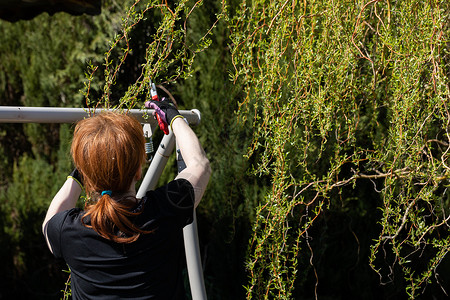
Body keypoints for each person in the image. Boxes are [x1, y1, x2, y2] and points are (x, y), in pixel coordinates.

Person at [42, 100, 211, 299]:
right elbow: (200, 165)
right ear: (138, 171)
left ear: (87, 177)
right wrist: (175, 118)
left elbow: (49, 221)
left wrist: (87, 166)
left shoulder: (67, 232)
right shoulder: (165, 210)